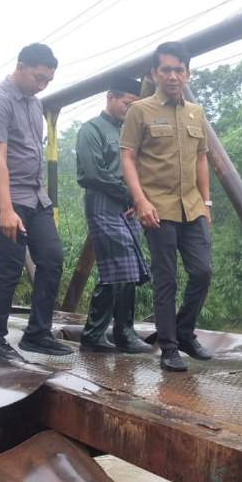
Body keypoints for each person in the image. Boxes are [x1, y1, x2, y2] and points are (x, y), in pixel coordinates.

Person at [0, 43, 72, 361]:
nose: (42, 85)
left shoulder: (35, 103)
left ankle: (37, 334)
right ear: (21, 66)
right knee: (10, 265)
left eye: (48, 81)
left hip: (35, 196)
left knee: (52, 259)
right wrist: (6, 209)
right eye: (38, 77)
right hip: (2, 196)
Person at [120, 41, 212, 372]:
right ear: (155, 73)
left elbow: (201, 158)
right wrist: (140, 200)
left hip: (193, 207)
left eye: (179, 70)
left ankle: (184, 331)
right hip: (157, 208)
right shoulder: (139, 111)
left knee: (202, 272)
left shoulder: (196, 112)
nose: (173, 76)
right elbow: (128, 157)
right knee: (166, 279)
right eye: (166, 70)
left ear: (188, 73)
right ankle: (169, 347)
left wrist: (207, 202)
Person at [76, 75, 152, 354]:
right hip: (103, 203)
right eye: (126, 104)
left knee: (123, 269)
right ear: (110, 97)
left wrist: (139, 197)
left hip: (129, 205)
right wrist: (129, 194)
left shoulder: (129, 132)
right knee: (121, 266)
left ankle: (104, 332)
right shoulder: (91, 129)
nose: (129, 110)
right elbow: (92, 173)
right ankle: (116, 333)